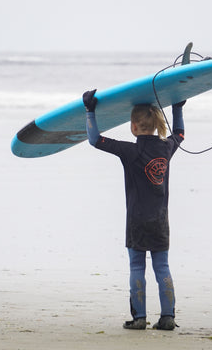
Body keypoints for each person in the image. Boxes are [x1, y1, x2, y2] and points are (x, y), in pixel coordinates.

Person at [83, 89, 185, 331]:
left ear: (134, 126)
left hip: (137, 221)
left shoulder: (130, 151)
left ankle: (139, 318)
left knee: (137, 267)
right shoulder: (166, 148)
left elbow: (95, 140)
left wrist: (90, 110)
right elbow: (179, 134)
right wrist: (178, 106)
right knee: (162, 267)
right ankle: (168, 317)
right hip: (160, 220)